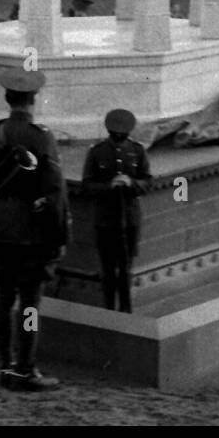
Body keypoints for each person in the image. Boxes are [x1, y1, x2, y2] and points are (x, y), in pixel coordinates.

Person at [0, 68, 69, 392]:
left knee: (2, 298)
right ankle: (25, 368)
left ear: (7, 99)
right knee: (29, 303)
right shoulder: (41, 137)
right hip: (32, 233)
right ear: (33, 100)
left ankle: (4, 363)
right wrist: (58, 236)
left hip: (0, 230)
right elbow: (54, 192)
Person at [81, 108, 151, 313]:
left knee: (126, 269)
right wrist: (108, 186)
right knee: (108, 270)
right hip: (106, 220)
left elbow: (147, 181)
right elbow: (87, 186)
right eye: (115, 133)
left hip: (129, 219)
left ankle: (126, 310)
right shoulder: (97, 152)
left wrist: (131, 183)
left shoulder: (138, 151)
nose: (119, 137)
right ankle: (109, 309)